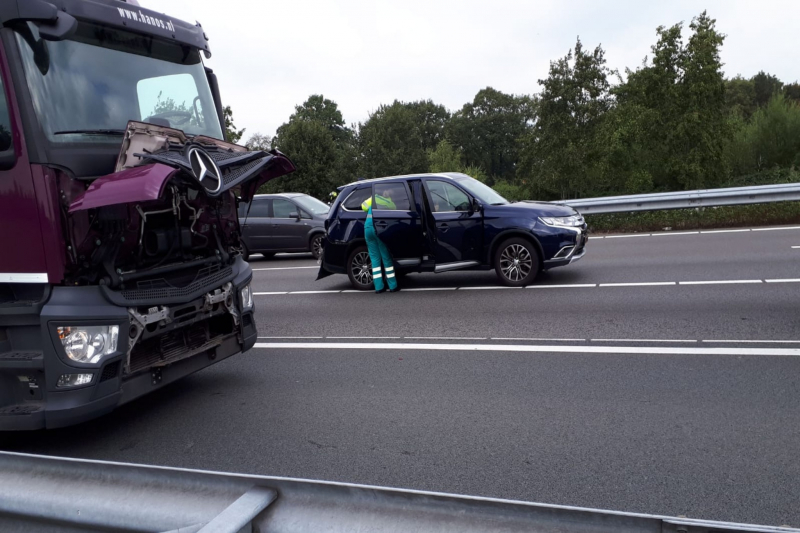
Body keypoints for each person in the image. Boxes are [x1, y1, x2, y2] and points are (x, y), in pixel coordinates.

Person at [361, 191, 399, 293]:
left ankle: (379, 287)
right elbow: (395, 211)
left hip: (367, 228)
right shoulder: (390, 203)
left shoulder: (373, 199)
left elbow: (363, 206)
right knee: (386, 257)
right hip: (378, 229)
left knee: (374, 259)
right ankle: (393, 285)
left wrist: (371, 198)